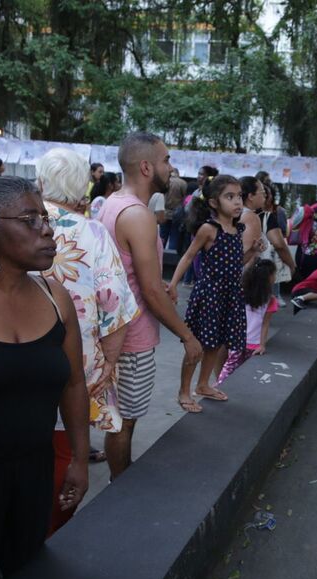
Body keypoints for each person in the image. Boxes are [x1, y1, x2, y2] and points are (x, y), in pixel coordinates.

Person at [0, 177, 89, 575]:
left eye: (45, 218)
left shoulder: (54, 295)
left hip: (36, 475)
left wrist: (80, 459)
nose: (47, 230)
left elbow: (75, 383)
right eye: (30, 220)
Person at [35, 148, 140, 533]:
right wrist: (107, 363)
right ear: (84, 186)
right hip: (75, 365)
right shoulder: (91, 232)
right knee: (67, 446)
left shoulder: (5, 220)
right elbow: (115, 306)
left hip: (11, 362)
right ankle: (53, 527)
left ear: (41, 182)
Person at [99, 132, 203, 478]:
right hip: (133, 338)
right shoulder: (138, 215)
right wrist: (187, 335)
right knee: (123, 423)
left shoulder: (112, 204)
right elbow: (149, 292)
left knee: (118, 419)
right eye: (166, 160)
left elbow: (125, 271)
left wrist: (155, 282)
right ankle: (121, 486)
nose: (170, 168)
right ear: (146, 167)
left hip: (116, 331)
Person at [168, 175, 247, 412]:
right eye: (229, 197)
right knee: (198, 345)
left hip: (230, 295)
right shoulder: (209, 229)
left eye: (239, 196)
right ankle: (184, 391)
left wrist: (252, 249)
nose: (237, 202)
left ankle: (203, 385)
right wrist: (172, 285)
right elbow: (188, 255)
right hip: (210, 294)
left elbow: (236, 263)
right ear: (214, 202)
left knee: (217, 342)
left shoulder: (237, 229)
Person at [217, 258, 278, 384]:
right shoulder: (270, 300)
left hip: (236, 340)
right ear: (268, 278)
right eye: (274, 274)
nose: (275, 278)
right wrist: (262, 344)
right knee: (243, 370)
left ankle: (218, 386)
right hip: (253, 343)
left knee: (229, 366)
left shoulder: (241, 294)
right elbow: (265, 325)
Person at [259, 183, 296, 305]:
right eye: (262, 194)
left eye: (266, 194)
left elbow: (283, 232)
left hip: (273, 245)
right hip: (262, 247)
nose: (265, 197)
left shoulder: (278, 211)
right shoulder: (255, 213)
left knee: (275, 269)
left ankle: (275, 295)